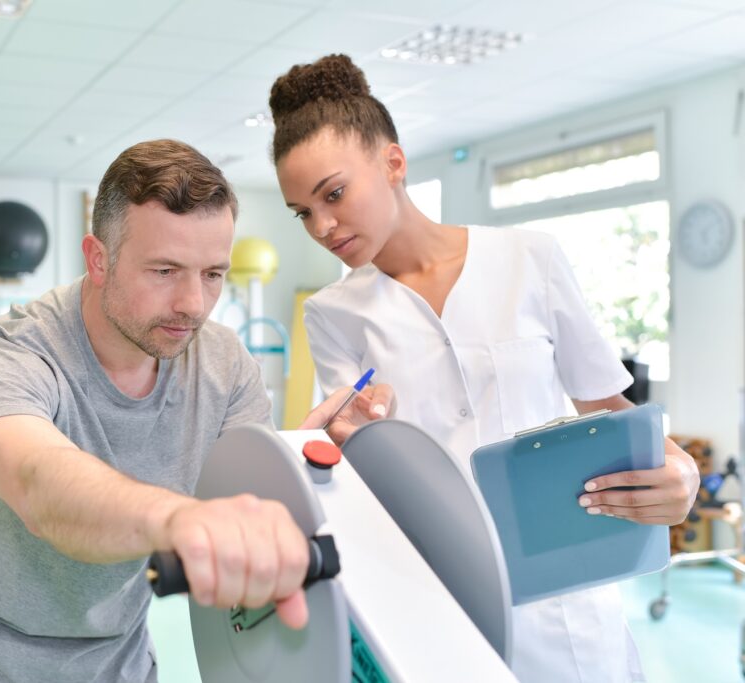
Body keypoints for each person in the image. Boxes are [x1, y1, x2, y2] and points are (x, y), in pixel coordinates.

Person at [0, 139, 387, 683]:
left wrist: (309, 460)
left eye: (213, 274)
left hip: (116, 667)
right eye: (165, 271)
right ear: (99, 259)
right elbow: (40, 485)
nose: (193, 304)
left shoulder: (223, 364)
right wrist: (178, 518)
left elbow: (247, 497)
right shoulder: (5, 356)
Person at [271, 55, 700, 683]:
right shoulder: (334, 314)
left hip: (566, 597)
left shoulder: (531, 259)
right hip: (437, 595)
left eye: (333, 194)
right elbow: (351, 464)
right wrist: (346, 439)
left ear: (393, 162)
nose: (322, 225)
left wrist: (680, 469)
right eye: (302, 212)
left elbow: (606, 410)